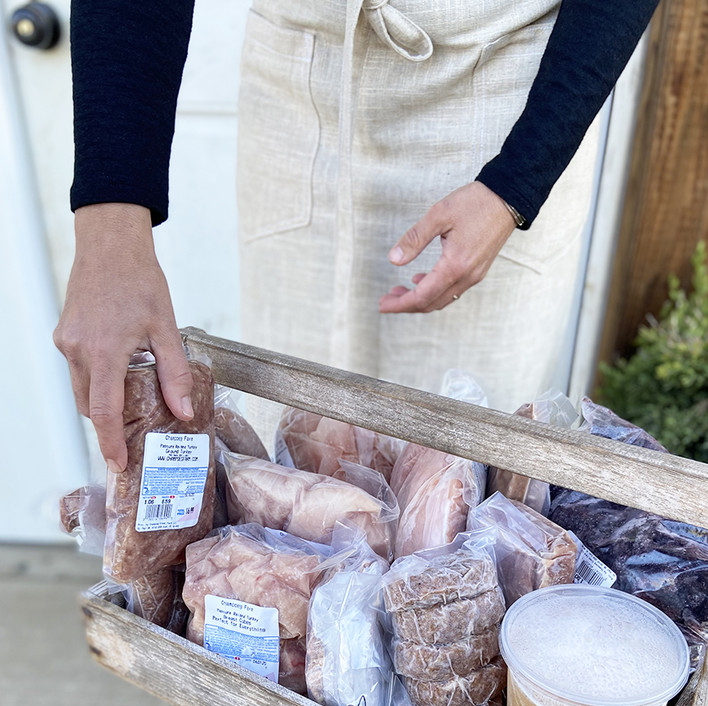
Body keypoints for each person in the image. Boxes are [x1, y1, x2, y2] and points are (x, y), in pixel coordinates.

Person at [54, 0, 660, 473]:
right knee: (287, 455)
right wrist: (110, 231)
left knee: (466, 473)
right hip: (303, 80)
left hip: (508, 92)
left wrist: (515, 186)